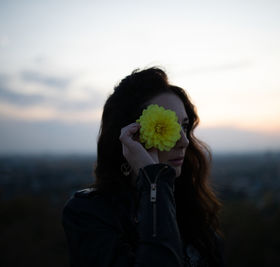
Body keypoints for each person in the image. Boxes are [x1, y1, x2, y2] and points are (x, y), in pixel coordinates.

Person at [62, 67, 225, 266]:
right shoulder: (88, 214)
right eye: (168, 127)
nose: (184, 141)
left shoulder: (189, 205)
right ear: (130, 137)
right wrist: (153, 181)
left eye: (183, 125)